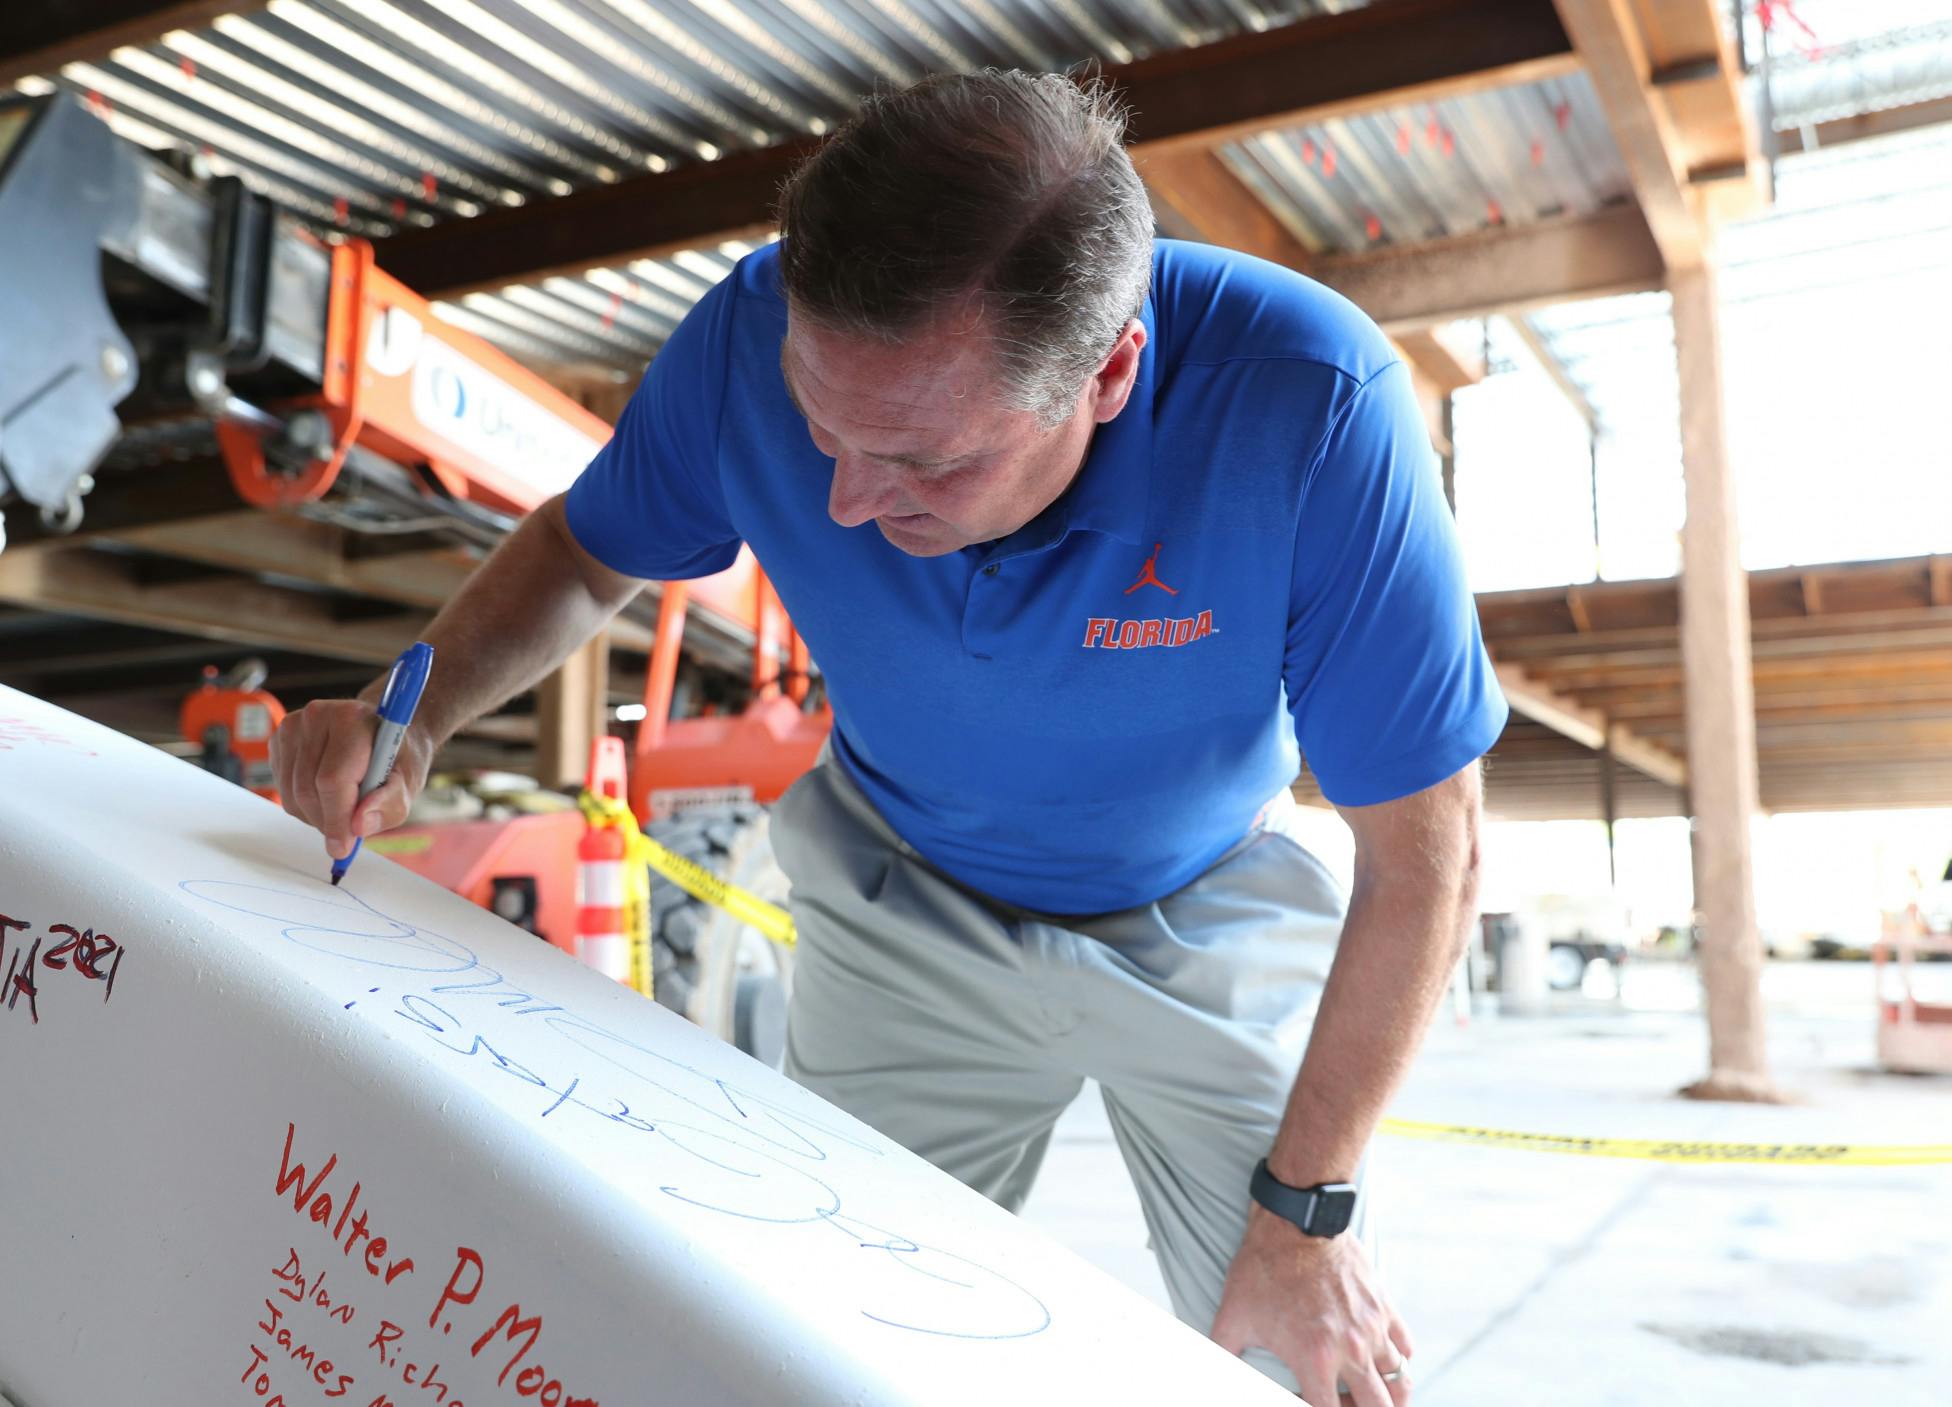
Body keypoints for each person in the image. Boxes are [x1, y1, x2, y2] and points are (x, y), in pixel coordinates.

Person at [272, 70, 1505, 1406]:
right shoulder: (742, 342)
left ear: (1110, 373)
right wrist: (415, 712)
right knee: (808, 1341)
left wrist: (1308, 1215)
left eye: (923, 460)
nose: (850, 500)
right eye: (821, 427)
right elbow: (583, 547)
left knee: (1291, 1353)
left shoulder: (1313, 406)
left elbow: (1426, 857)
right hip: (900, 898)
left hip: (1201, 908)